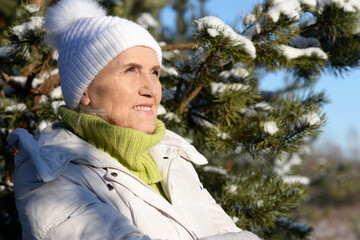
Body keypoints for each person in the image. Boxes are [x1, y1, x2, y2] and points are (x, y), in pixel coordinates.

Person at [7, 0, 261, 239]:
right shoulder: (46, 172)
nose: (151, 88)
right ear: (84, 91)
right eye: (131, 70)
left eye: (154, 72)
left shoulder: (174, 159)